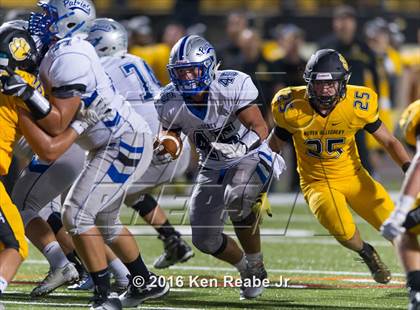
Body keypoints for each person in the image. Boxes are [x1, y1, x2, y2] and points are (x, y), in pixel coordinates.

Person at [2, 0, 168, 308]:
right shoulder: (61, 51)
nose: (41, 20)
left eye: (49, 15)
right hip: (108, 142)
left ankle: (103, 296)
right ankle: (145, 283)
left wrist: (25, 94)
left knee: (76, 215)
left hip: (122, 139)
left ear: (68, 22)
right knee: (104, 220)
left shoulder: (71, 56)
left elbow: (59, 123)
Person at [155, 34, 285, 299]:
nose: (187, 78)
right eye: (180, 72)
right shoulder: (169, 98)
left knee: (237, 198)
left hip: (250, 154)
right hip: (212, 164)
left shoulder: (230, 83)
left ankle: (256, 262)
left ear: (208, 66)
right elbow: (168, 133)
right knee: (205, 240)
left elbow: (260, 127)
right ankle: (245, 268)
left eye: (192, 70)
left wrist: (243, 150)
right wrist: (165, 145)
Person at [268, 49, 411, 284]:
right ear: (309, 84)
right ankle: (366, 252)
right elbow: (273, 144)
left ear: (342, 82)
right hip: (317, 183)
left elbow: (389, 141)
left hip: (354, 177)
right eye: (319, 84)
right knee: (344, 231)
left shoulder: (357, 103)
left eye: (331, 84)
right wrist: (257, 175)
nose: (325, 90)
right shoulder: (291, 105)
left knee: (397, 228)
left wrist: (408, 169)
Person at [319, 5, 379, 175]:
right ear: (334, 23)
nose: (344, 24)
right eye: (340, 20)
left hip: (356, 105)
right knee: (333, 142)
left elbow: (375, 75)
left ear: (354, 23)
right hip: (331, 104)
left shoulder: (364, 47)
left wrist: (376, 100)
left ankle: (369, 175)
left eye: (348, 20)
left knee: (361, 143)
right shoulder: (326, 46)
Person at [381, 99, 420, 310]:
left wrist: (400, 212)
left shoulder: (417, 114)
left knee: (404, 226)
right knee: (408, 225)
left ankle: (417, 293)